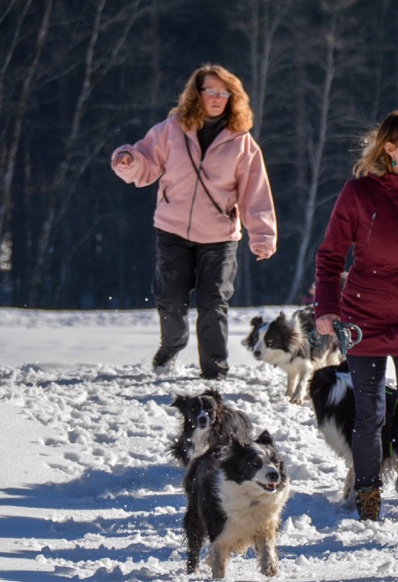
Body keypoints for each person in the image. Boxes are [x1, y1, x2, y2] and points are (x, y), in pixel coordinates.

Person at [313, 111, 398, 521]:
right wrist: (326, 306)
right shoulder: (358, 193)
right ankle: (368, 491)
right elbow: (331, 255)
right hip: (363, 316)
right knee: (371, 409)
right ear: (388, 149)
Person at [111, 64, 277, 380]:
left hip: (220, 236)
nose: (217, 98)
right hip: (172, 231)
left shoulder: (241, 142)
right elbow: (144, 164)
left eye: (223, 93)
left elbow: (255, 193)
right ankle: (172, 345)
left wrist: (263, 236)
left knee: (213, 303)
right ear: (196, 94)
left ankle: (214, 370)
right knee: (170, 299)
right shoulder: (170, 130)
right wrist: (128, 161)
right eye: (210, 91)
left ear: (233, 97)